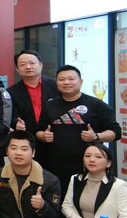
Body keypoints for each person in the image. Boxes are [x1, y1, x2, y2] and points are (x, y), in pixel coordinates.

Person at [37, 65, 120, 201]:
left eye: (71, 79)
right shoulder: (50, 105)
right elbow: (38, 130)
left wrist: (96, 136)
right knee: (59, 203)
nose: (66, 82)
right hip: (55, 166)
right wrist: (43, 136)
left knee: (85, 203)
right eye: (62, 79)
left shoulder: (96, 104)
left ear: (81, 82)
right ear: (57, 83)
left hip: (87, 166)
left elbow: (116, 132)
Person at [62, 143, 127, 218]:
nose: (91, 160)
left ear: (108, 163)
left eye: (98, 157)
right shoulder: (75, 179)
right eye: (87, 156)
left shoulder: (118, 185)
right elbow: (67, 206)